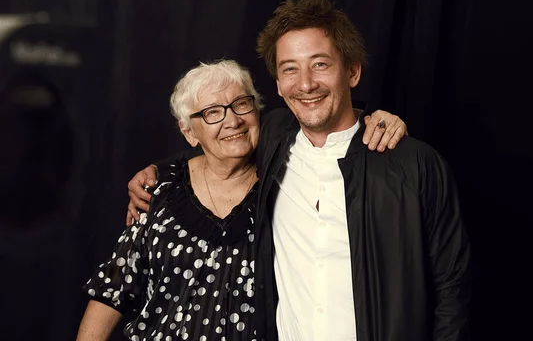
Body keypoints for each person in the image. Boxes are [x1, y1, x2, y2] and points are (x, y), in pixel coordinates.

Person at [128, 0, 470, 341]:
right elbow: (222, 138)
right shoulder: (272, 137)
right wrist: (157, 170)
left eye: (320, 64)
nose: (305, 84)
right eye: (290, 69)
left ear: (352, 72)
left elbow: (452, 289)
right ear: (278, 84)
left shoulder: (415, 164)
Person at [78, 60, 405, 340]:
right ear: (189, 132)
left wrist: (378, 119)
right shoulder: (158, 193)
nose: (231, 120)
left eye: (241, 104)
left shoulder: (287, 184)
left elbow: (330, 120)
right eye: (212, 113)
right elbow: (114, 291)